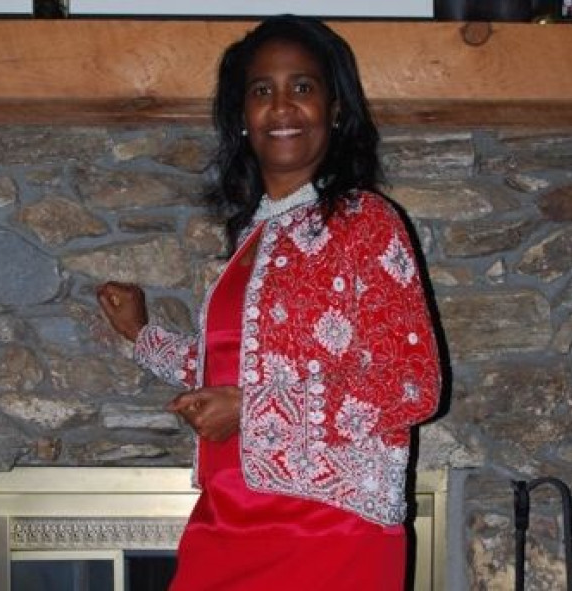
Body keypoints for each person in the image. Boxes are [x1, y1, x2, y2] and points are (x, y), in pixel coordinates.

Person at [97, 14, 442, 590]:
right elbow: (238, 369)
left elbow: (413, 384)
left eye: (302, 87)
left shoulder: (366, 223)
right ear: (242, 118)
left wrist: (250, 411)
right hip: (230, 514)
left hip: (330, 527)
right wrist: (142, 336)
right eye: (262, 91)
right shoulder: (255, 236)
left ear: (336, 109)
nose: (282, 107)